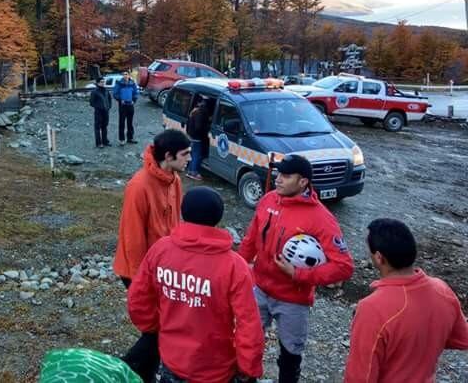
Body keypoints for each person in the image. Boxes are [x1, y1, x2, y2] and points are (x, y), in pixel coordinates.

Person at [128, 187, 264, 383]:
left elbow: (138, 298)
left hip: (172, 358)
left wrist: (154, 328)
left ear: (183, 211)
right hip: (216, 367)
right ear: (218, 217)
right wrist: (248, 367)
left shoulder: (161, 250)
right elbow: (248, 323)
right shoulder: (234, 265)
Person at [238, 154, 354, 383]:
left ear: (303, 182)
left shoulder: (321, 218)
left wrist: (300, 274)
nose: (278, 179)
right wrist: (239, 270)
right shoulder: (269, 200)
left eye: (286, 176)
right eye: (279, 173)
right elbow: (251, 239)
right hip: (258, 289)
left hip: (293, 299)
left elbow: (344, 266)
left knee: (290, 353)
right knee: (247, 342)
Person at [344, 218, 468, 382]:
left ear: (379, 257)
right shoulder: (442, 289)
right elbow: (462, 338)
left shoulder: (372, 308)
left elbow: (361, 376)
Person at [113, 129, 191, 382]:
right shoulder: (139, 186)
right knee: (159, 330)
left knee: (162, 328)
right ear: (168, 156)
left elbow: (176, 224)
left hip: (164, 268)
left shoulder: (174, 179)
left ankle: (144, 375)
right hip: (139, 270)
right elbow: (132, 238)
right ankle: (123, 370)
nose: (190, 158)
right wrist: (141, 282)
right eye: (185, 154)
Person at [185, 97, 211, 181]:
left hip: (191, 135)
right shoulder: (200, 113)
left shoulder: (194, 111)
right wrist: (206, 130)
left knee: (192, 154)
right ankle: (193, 172)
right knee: (197, 155)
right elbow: (199, 127)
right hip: (197, 137)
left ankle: (189, 169)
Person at [112, 71, 139, 146]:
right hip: (122, 105)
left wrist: (134, 100)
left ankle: (130, 138)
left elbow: (136, 92)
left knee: (130, 122)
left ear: (129, 75)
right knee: (122, 122)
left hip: (130, 105)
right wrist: (120, 100)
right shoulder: (119, 83)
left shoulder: (132, 83)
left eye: (126, 74)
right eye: (123, 74)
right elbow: (115, 93)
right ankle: (122, 139)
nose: (125, 76)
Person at [89, 77, 112, 148]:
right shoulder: (94, 92)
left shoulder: (106, 90)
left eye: (103, 82)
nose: (103, 83)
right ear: (98, 83)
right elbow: (91, 102)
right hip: (98, 112)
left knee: (104, 126)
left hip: (106, 111)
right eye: (101, 82)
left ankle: (105, 141)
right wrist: (98, 107)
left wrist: (109, 106)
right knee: (97, 127)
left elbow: (109, 99)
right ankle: (98, 143)